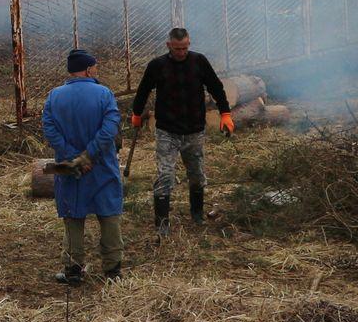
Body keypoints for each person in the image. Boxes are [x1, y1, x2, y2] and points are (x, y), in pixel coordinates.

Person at [131, 26, 233, 236]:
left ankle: (197, 214)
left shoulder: (199, 62)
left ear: (189, 44)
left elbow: (216, 87)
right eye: (177, 49)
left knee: (196, 174)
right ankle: (162, 224)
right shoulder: (157, 66)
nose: (181, 53)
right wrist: (136, 113)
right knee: (165, 176)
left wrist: (225, 113)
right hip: (167, 131)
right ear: (169, 46)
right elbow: (143, 91)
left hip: (194, 130)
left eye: (185, 48)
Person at [42, 49, 123, 285]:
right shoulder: (104, 94)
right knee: (109, 215)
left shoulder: (54, 96)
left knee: (73, 215)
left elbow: (49, 129)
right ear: (88, 69)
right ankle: (112, 269)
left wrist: (73, 157)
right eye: (95, 66)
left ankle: (73, 270)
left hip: (70, 169)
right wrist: (88, 156)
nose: (97, 70)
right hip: (102, 166)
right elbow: (110, 129)